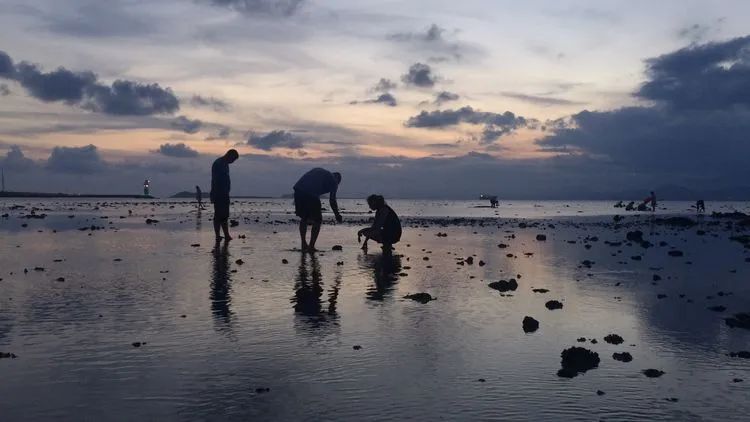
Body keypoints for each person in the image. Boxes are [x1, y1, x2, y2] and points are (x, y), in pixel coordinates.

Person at [293, 168, 342, 252]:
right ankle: (311, 246)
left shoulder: (322, 172)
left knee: (304, 218)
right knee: (318, 220)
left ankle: (303, 244)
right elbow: (332, 200)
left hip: (298, 190)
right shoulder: (334, 181)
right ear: (338, 180)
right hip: (310, 193)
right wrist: (337, 215)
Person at [210, 149, 239, 241]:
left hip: (224, 193)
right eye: (233, 159)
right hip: (219, 193)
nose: (233, 162)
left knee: (225, 215)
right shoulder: (218, 163)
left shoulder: (225, 164)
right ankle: (218, 236)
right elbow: (215, 180)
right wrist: (214, 193)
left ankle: (226, 235)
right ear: (229, 155)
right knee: (218, 215)